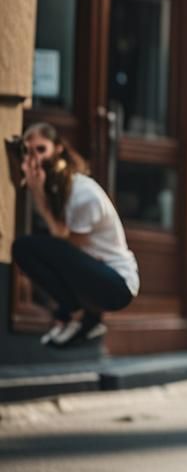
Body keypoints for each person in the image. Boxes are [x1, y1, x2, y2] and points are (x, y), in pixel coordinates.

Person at [12, 123, 139, 346]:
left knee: (27, 246)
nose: (35, 159)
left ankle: (72, 310)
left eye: (41, 150)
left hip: (118, 284)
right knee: (28, 248)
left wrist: (38, 194)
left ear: (58, 148)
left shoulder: (83, 193)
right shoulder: (58, 186)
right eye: (29, 152)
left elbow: (65, 241)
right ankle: (86, 319)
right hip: (94, 274)